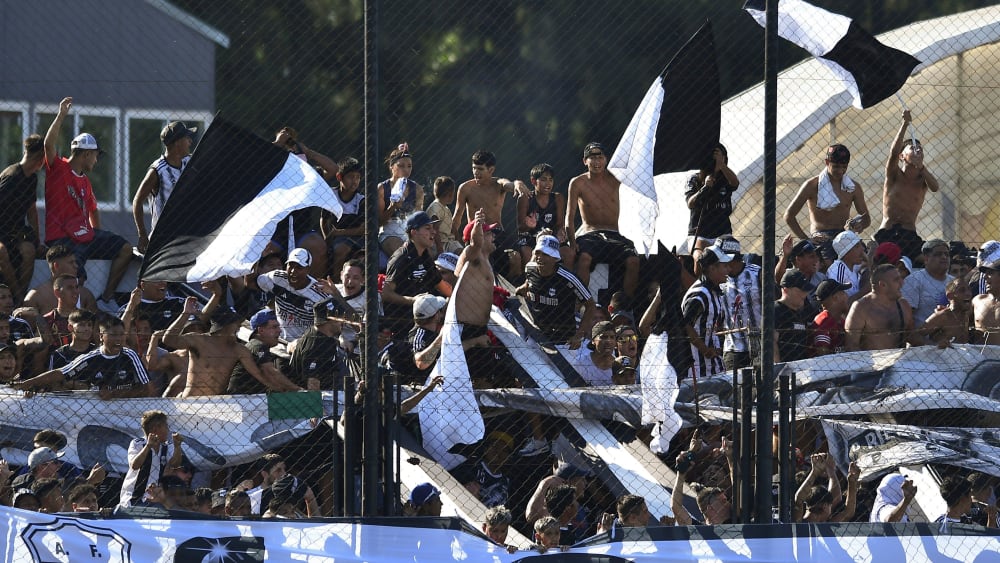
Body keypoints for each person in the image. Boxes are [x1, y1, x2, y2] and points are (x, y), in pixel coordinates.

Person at [42, 97, 133, 310]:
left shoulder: (85, 181)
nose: (96, 160)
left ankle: (107, 298)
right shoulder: (59, 169)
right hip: (61, 237)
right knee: (77, 277)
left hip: (83, 235)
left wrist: (95, 237)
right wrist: (61, 115)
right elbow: (48, 145)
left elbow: (93, 210)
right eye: (95, 156)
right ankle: (72, 313)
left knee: (126, 249)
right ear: (86, 154)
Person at [164, 299, 300, 397]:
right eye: (235, 323)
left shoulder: (239, 350)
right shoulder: (199, 340)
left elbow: (260, 375)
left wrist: (281, 390)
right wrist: (185, 314)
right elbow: (168, 339)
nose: (239, 327)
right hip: (190, 401)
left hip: (216, 405)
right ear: (225, 325)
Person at [565, 142, 640, 299]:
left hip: (615, 234)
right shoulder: (577, 183)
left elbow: (636, 169)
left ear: (606, 160)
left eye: (600, 157)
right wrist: (572, 242)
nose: (597, 162)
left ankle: (625, 305)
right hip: (590, 234)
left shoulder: (616, 178)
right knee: (584, 259)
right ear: (585, 161)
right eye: (592, 158)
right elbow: (569, 217)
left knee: (633, 260)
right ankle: (582, 303)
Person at [12, 316, 152, 399]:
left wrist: (115, 394)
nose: (119, 339)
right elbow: (61, 373)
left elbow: (149, 389)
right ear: (101, 336)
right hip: (97, 409)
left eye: (122, 335)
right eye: (114, 335)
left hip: (128, 406)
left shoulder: (130, 355)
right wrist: (26, 384)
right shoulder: (90, 359)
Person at [452, 150, 528, 280]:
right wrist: (455, 240)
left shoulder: (498, 184)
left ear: (491, 170)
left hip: (497, 233)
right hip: (475, 234)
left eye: (480, 169)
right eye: (474, 168)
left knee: (515, 258)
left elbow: (508, 184)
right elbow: (457, 218)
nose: (476, 172)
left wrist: (517, 184)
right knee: (477, 265)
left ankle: (509, 286)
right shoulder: (465, 188)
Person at [875, 110, 940, 261]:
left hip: (909, 234)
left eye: (920, 149)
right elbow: (893, 153)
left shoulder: (923, 179)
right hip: (888, 232)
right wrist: (905, 124)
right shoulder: (894, 175)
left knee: (923, 261)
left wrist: (922, 168)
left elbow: (935, 187)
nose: (918, 150)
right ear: (902, 156)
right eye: (912, 148)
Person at [515, 234, 596, 348]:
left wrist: (579, 335)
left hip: (563, 341)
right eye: (538, 253)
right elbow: (528, 283)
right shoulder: (530, 269)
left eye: (545, 254)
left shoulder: (569, 279)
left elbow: (591, 305)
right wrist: (522, 288)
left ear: (555, 258)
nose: (540, 257)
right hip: (536, 336)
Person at [382, 212, 452, 337]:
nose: (433, 232)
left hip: (425, 320)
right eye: (427, 228)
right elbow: (386, 294)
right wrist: (413, 300)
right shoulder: (401, 258)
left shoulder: (425, 256)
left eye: (433, 228)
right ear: (414, 232)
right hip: (402, 322)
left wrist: (458, 297)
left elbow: (441, 285)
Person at [784, 144, 870, 246]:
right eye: (836, 166)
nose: (840, 171)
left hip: (845, 235)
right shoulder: (811, 185)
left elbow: (866, 218)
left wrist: (860, 225)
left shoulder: (853, 187)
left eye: (844, 167)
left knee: (865, 252)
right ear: (827, 162)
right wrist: (806, 240)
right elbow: (789, 216)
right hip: (822, 238)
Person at [132, 121, 197, 253]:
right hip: (164, 239)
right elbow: (137, 201)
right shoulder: (157, 171)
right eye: (186, 138)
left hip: (188, 236)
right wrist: (142, 235)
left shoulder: (189, 162)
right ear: (177, 143)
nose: (190, 141)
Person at [256, 248, 347, 341]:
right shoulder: (276, 278)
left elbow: (337, 323)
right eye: (290, 266)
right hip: (278, 339)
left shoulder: (320, 293)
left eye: (299, 268)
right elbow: (254, 282)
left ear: (308, 270)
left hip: (305, 344)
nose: (293, 271)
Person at [0, 133, 44, 300]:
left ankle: (21, 297)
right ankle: (17, 296)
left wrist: (37, 241)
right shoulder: (11, 177)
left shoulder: (32, 178)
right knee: (2, 252)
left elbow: (32, 211)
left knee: (29, 250)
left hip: (15, 232)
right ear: (41, 158)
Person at [682, 246, 732, 380]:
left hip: (713, 366)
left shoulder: (714, 291)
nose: (729, 269)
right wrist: (705, 350)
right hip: (697, 368)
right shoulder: (700, 294)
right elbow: (685, 325)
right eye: (725, 266)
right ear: (712, 268)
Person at [118, 410, 186, 508]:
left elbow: (175, 464)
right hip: (133, 497)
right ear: (155, 429)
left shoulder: (165, 446)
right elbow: (134, 465)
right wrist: (148, 446)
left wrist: (177, 446)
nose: (168, 430)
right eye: (166, 426)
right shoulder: (138, 443)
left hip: (154, 497)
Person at [844, 264, 916, 351]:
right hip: (870, 359)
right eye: (896, 280)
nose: (902, 283)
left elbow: (912, 336)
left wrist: (930, 347)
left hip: (901, 358)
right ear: (882, 285)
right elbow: (851, 346)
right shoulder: (860, 308)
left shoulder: (903, 305)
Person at [685, 143, 741, 255]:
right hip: (699, 233)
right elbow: (690, 203)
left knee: (728, 259)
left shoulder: (726, 177)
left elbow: (735, 183)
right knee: (700, 257)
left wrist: (721, 165)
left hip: (723, 232)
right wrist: (705, 188)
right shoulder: (695, 179)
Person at [716, 236, 761, 371]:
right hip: (733, 347)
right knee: (734, 382)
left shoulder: (757, 273)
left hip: (760, 344)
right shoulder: (718, 277)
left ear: (733, 258)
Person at [285, 298, 350, 390]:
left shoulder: (319, 334)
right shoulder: (316, 347)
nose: (343, 321)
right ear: (330, 320)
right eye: (340, 318)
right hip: (323, 396)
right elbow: (312, 386)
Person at [382, 293, 445, 385]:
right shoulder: (418, 335)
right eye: (440, 311)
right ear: (436, 315)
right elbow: (421, 363)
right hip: (410, 385)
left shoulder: (431, 332)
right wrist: (441, 338)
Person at [518, 163, 572, 268]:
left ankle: (563, 278)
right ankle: (531, 277)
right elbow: (521, 227)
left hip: (551, 237)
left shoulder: (558, 198)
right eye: (543, 180)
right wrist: (530, 225)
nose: (548, 183)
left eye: (550, 180)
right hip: (531, 238)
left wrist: (559, 233)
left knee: (568, 253)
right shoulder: (525, 198)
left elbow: (560, 224)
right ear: (533, 181)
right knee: (526, 253)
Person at [321, 157, 365, 279]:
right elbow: (324, 220)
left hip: (357, 239)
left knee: (342, 249)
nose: (354, 181)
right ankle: (333, 281)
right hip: (336, 238)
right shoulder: (331, 195)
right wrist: (327, 238)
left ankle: (339, 282)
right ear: (339, 177)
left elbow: (363, 229)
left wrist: (338, 233)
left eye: (358, 177)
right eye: (351, 177)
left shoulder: (361, 200)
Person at [377, 143, 424, 258]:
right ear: (391, 166)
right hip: (389, 232)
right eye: (401, 166)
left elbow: (418, 218)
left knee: (428, 252)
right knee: (403, 253)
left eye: (409, 166)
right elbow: (378, 222)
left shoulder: (417, 189)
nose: (406, 170)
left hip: (409, 231)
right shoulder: (383, 188)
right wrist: (393, 206)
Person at [227, 309, 285, 394]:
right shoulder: (257, 345)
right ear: (261, 330)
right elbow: (270, 371)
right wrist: (296, 389)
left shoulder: (258, 345)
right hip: (242, 397)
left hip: (249, 396)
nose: (279, 331)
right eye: (274, 327)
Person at [901, 239, 953, 328]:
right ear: (926, 258)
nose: (944, 257)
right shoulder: (914, 280)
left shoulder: (953, 281)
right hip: (923, 334)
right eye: (938, 254)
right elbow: (907, 318)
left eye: (946, 254)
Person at [774, 269, 815, 363]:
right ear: (786, 290)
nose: (805, 294)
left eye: (806, 290)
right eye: (801, 290)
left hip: (803, 366)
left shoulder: (804, 311)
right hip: (784, 366)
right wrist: (778, 367)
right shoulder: (775, 310)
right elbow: (771, 342)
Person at [920, 277, 972, 347]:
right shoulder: (942, 316)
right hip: (942, 354)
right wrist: (934, 345)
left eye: (969, 289)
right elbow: (915, 335)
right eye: (962, 290)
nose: (968, 293)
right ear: (950, 296)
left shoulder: (967, 314)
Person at [810, 280, 852, 356]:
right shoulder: (823, 322)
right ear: (835, 298)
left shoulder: (841, 320)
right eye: (843, 293)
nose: (847, 296)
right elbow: (823, 358)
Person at [570, 320, 616, 386]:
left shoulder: (619, 365)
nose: (609, 341)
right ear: (593, 340)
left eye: (612, 337)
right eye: (603, 337)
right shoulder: (580, 363)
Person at [827, 231, 868, 302]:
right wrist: (866, 290)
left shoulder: (852, 263)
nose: (862, 249)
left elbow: (868, 263)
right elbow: (844, 304)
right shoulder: (837, 272)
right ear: (845, 252)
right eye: (857, 246)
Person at [972, 242, 1000, 345]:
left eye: (990, 273)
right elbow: (958, 320)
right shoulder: (977, 300)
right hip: (980, 354)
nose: (984, 277)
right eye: (985, 273)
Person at [426, 176, 462, 255]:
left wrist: (456, 236)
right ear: (450, 194)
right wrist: (439, 247)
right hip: (439, 243)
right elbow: (434, 229)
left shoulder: (445, 207)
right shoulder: (435, 207)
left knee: (464, 253)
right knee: (461, 254)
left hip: (449, 241)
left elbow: (452, 226)